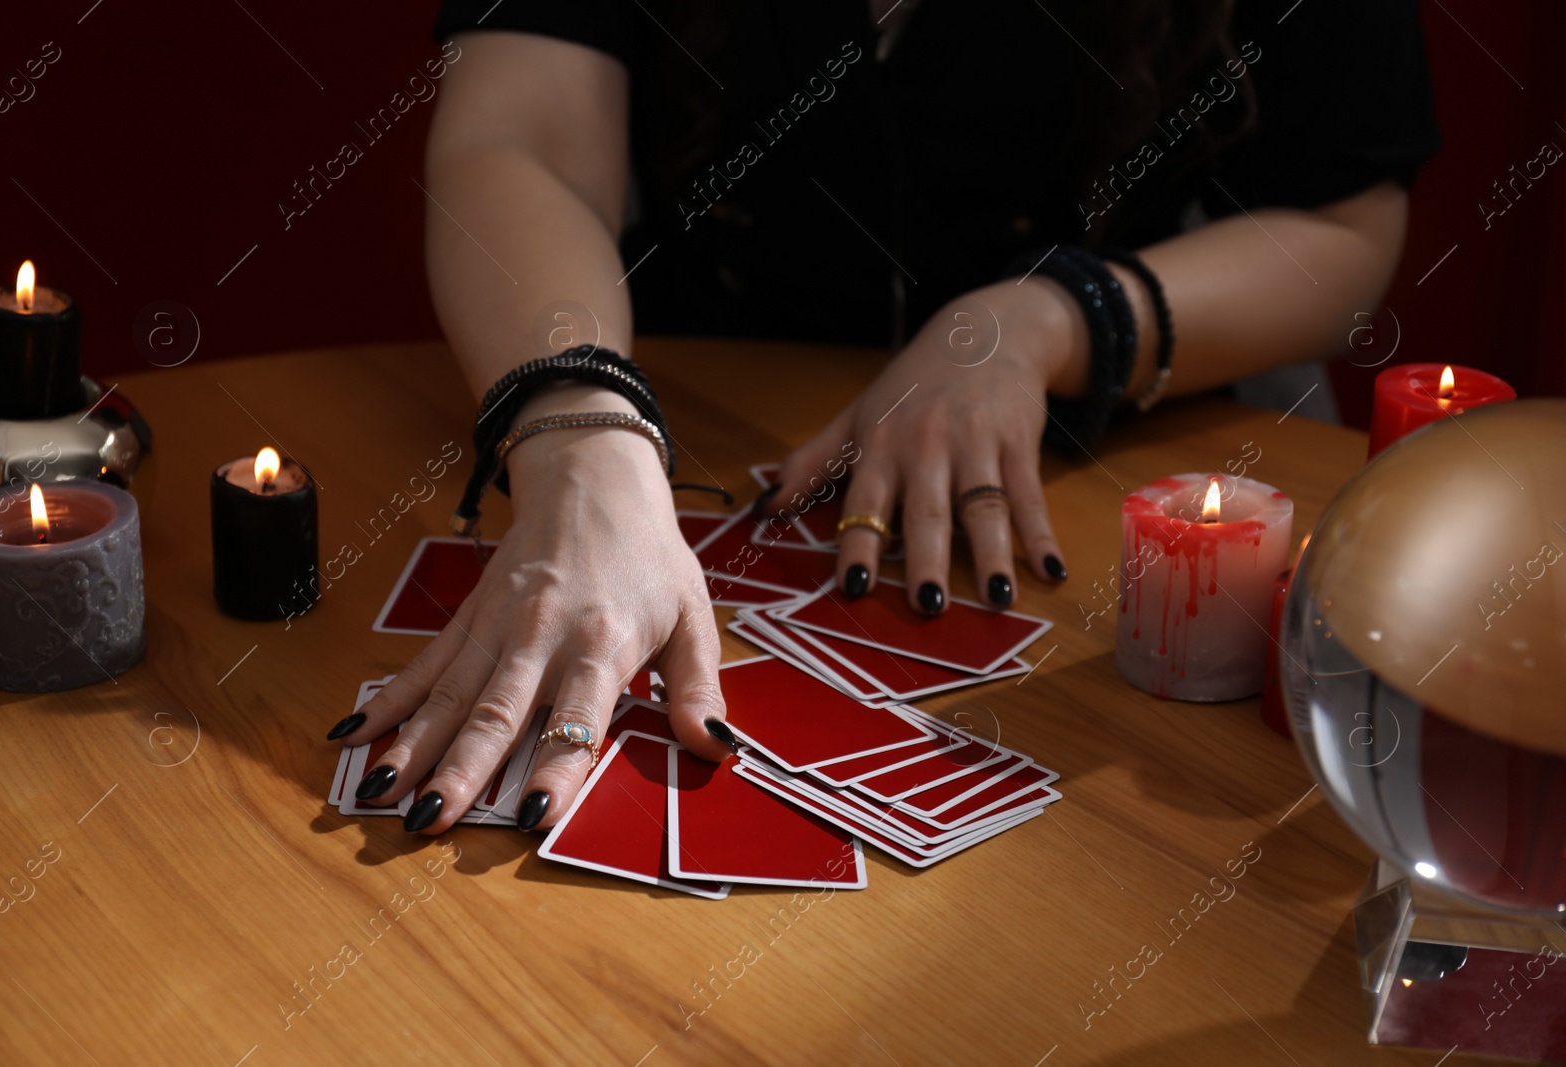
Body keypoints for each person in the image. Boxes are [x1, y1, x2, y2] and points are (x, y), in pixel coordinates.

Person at [327, 0, 1439, 835]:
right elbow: (514, 140)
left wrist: (1048, 319)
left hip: (1120, 426)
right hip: (688, 404)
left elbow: (1343, 225)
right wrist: (584, 435)